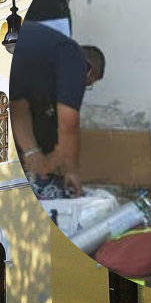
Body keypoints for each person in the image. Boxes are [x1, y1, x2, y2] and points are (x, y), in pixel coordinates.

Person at [10, 20, 105, 199]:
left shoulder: (40, 63)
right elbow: (68, 124)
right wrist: (72, 172)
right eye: (88, 84)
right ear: (90, 72)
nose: (83, 87)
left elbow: (18, 109)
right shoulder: (75, 58)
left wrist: (32, 153)